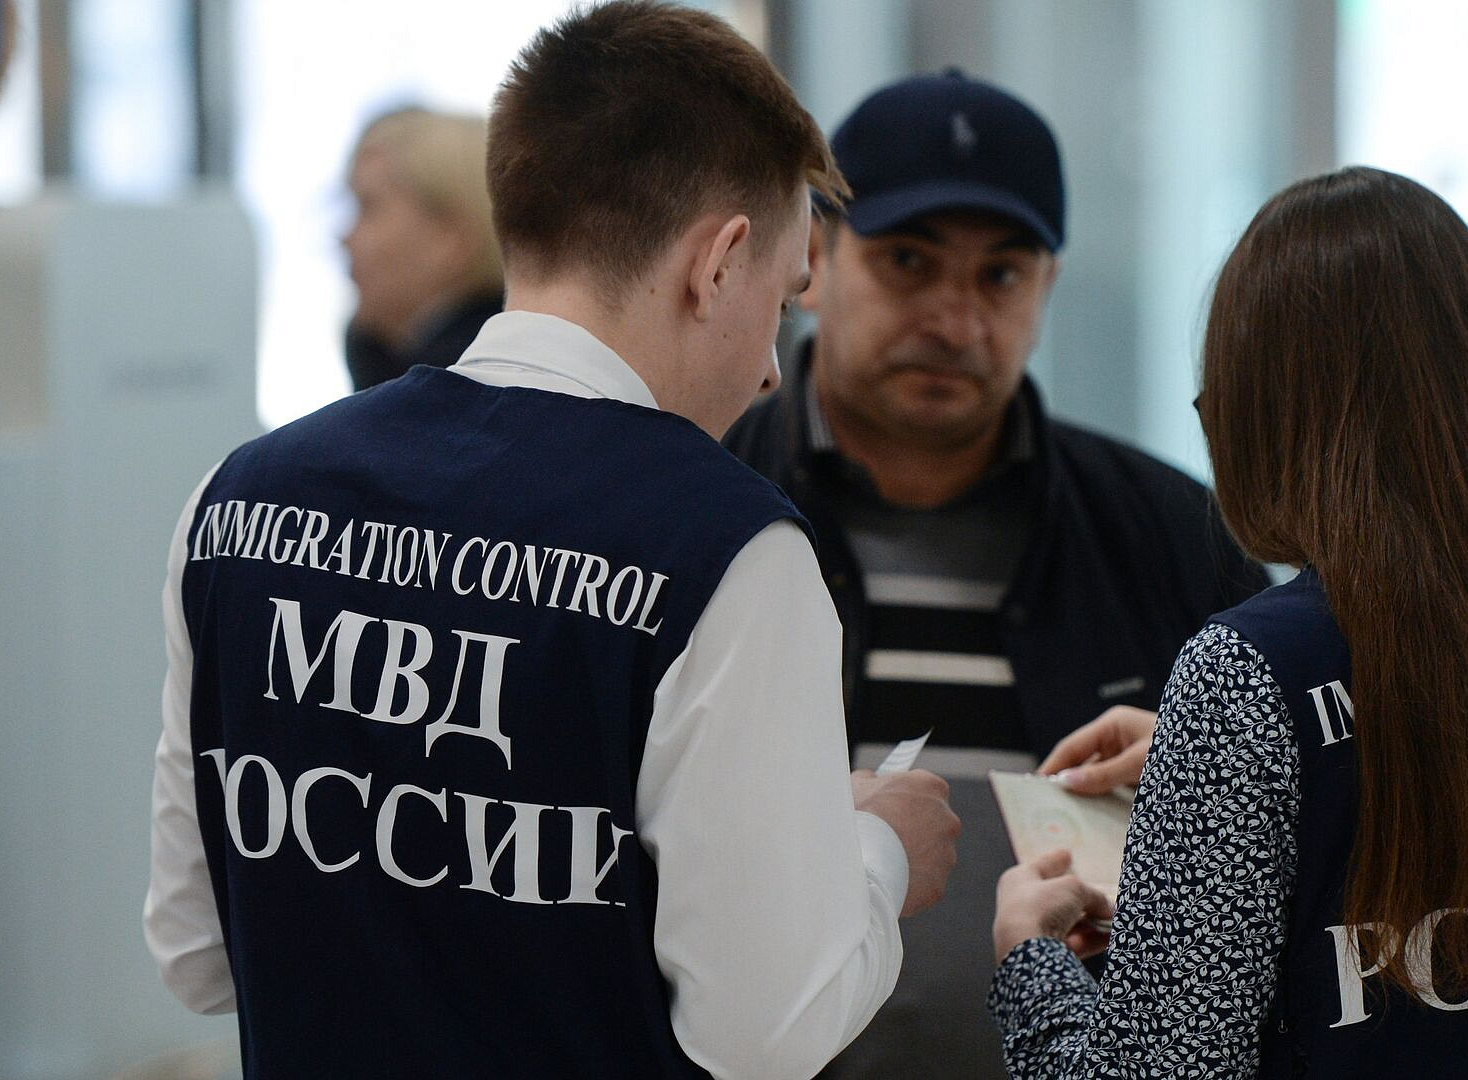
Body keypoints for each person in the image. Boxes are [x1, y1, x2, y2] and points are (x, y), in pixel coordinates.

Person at [143, 5, 959, 1077]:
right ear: (719, 264)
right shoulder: (726, 550)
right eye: (785, 298)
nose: (772, 368)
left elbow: (196, 953)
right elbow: (762, 1033)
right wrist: (877, 852)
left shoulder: (239, 503)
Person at [988, 167, 1468, 1078]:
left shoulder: (1253, 672)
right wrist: (1230, 775)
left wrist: (1027, 960)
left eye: (1215, 408)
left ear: (1266, 417)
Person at [723, 71, 1265, 1077]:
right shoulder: (705, 509)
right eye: (909, 262)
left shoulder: (1172, 539)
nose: (955, 320)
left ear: (1047, 287)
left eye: (1001, 276)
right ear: (814, 261)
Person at [340, 106, 506, 391]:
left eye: (369, 207)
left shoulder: (467, 393)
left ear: (451, 237)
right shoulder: (392, 364)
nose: (345, 238)